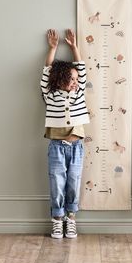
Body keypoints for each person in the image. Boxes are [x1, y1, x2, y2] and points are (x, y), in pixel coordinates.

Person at [40, 28, 90, 239]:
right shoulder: (50, 94)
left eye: (77, 80)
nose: (76, 82)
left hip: (77, 147)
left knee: (73, 183)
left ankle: (71, 218)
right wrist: (53, 48)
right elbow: (47, 70)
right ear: (60, 79)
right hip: (57, 148)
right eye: (72, 79)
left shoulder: (79, 94)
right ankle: (57, 220)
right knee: (57, 183)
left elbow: (81, 69)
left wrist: (74, 47)